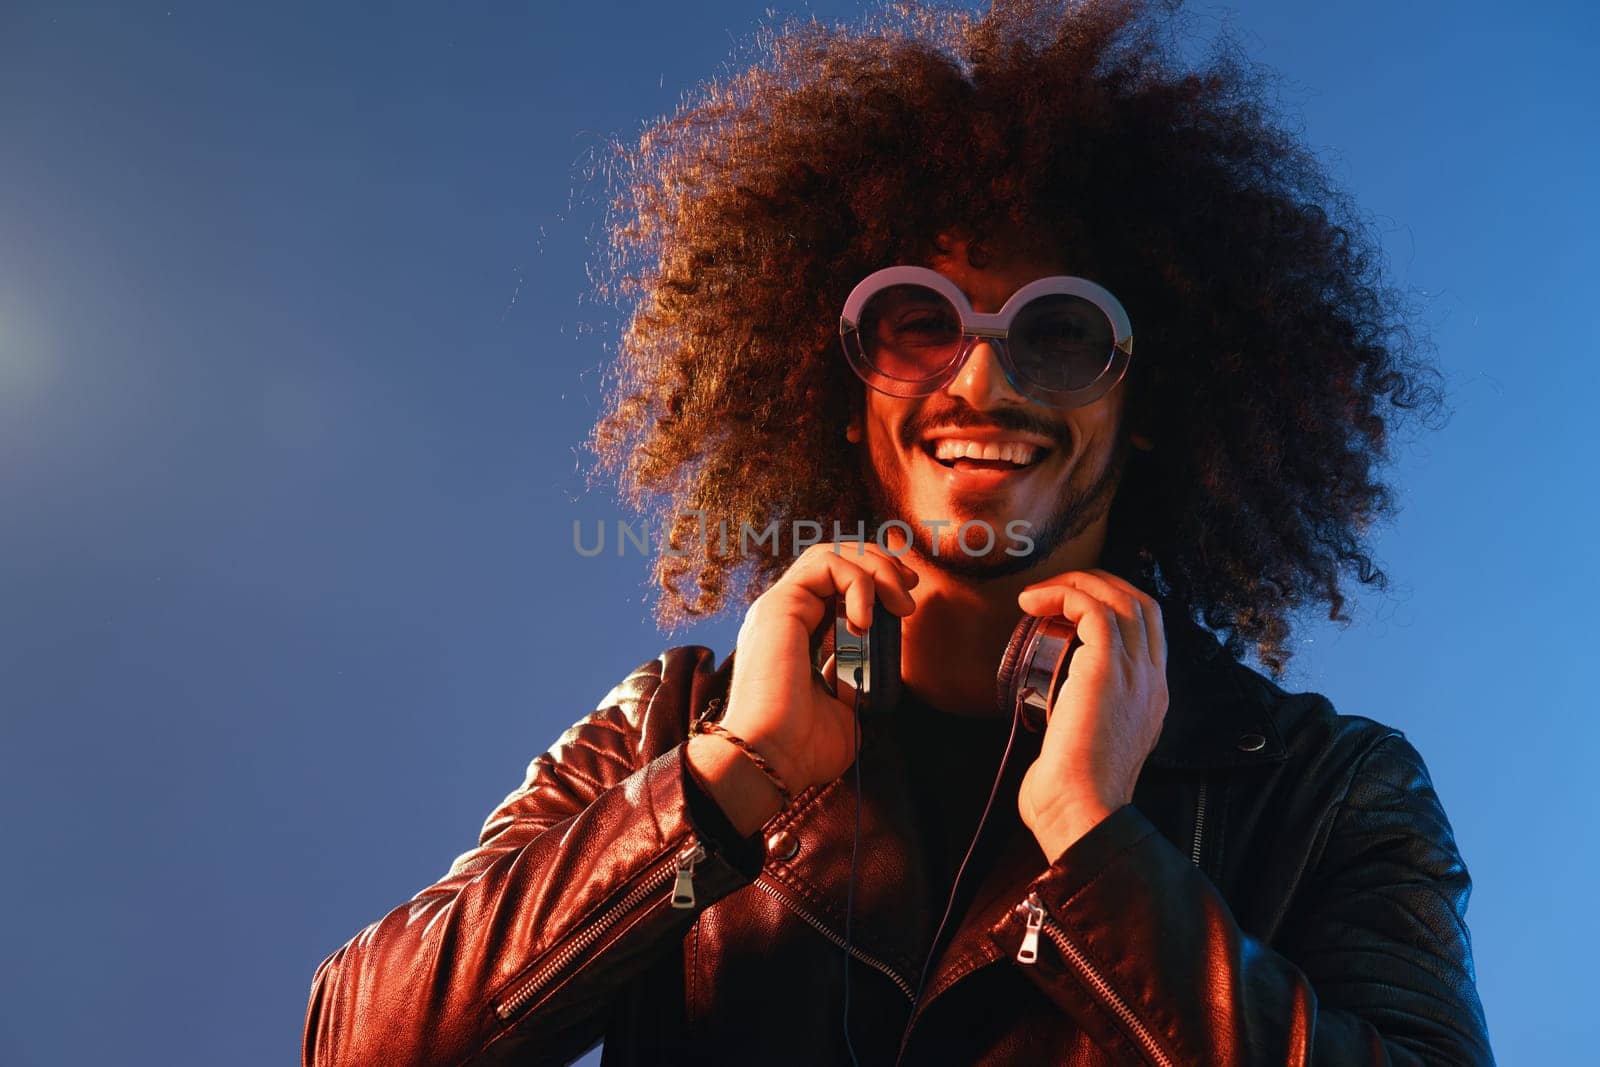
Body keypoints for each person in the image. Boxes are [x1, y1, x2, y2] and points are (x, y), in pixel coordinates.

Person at [303, 2, 1494, 1063]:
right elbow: (358, 1044)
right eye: (918, 321)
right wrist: (729, 782)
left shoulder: (1323, 791)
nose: (981, 378)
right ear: (839, 390)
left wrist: (1100, 847)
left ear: (1149, 409)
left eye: (1060, 331)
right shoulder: (668, 728)